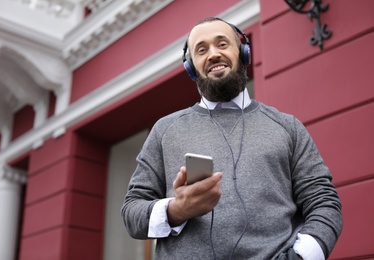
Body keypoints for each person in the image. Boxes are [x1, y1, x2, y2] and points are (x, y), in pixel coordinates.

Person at [121, 17, 343, 259]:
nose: (214, 54)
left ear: (243, 53)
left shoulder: (288, 127)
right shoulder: (164, 130)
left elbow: (324, 202)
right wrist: (176, 209)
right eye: (202, 50)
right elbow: (132, 211)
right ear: (191, 67)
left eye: (223, 44)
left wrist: (302, 256)